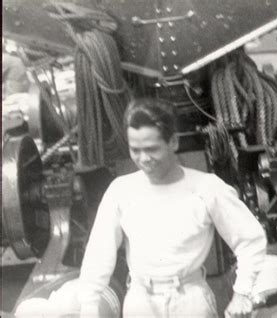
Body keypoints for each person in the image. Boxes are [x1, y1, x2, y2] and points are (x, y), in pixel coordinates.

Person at [78, 97, 267, 318]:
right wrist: (89, 307)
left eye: (152, 149)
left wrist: (242, 293)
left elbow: (250, 240)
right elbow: (98, 254)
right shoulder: (120, 191)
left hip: (190, 301)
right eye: (135, 150)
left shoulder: (207, 188)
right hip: (140, 302)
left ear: (173, 142)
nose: (143, 158)